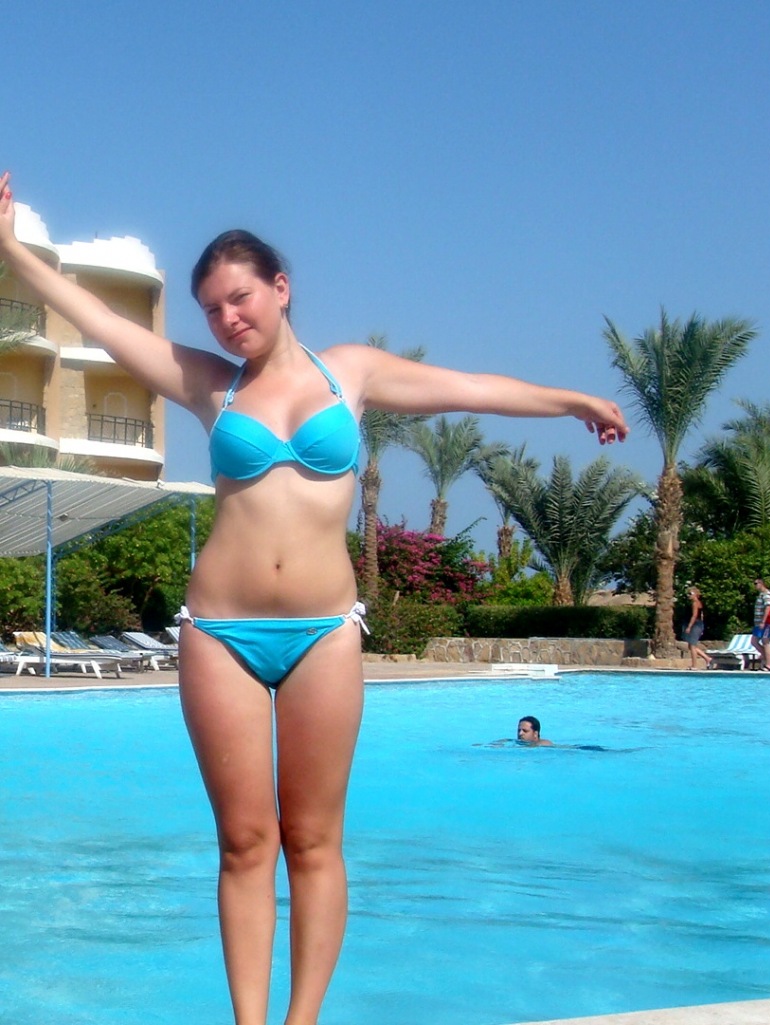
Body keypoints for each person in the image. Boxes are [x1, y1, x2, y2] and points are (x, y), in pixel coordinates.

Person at [0, 171, 627, 1025]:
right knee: (244, 842)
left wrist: (571, 401)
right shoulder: (212, 385)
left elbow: (470, 387)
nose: (228, 318)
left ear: (280, 287)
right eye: (212, 309)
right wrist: (11, 250)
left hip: (325, 630)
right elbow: (104, 323)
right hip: (219, 632)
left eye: (240, 297)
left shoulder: (350, 375)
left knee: (313, 839)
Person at [681, 586, 710, 669]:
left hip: (695, 625)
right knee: (691, 646)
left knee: (692, 646)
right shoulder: (699, 603)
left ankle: (694, 665)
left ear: (695, 594)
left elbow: (694, 616)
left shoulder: (695, 603)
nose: (689, 595)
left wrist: (689, 627)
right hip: (699, 624)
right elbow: (702, 616)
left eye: (690, 594)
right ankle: (707, 658)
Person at [751, 577, 770, 671]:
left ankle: (768, 665)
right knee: (754, 642)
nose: (755, 586)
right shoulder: (761, 594)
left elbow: (768, 607)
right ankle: (767, 658)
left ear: (761, 584)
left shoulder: (766, 594)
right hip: (758, 623)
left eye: (756, 584)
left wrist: (763, 621)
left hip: (765, 623)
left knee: (765, 642)